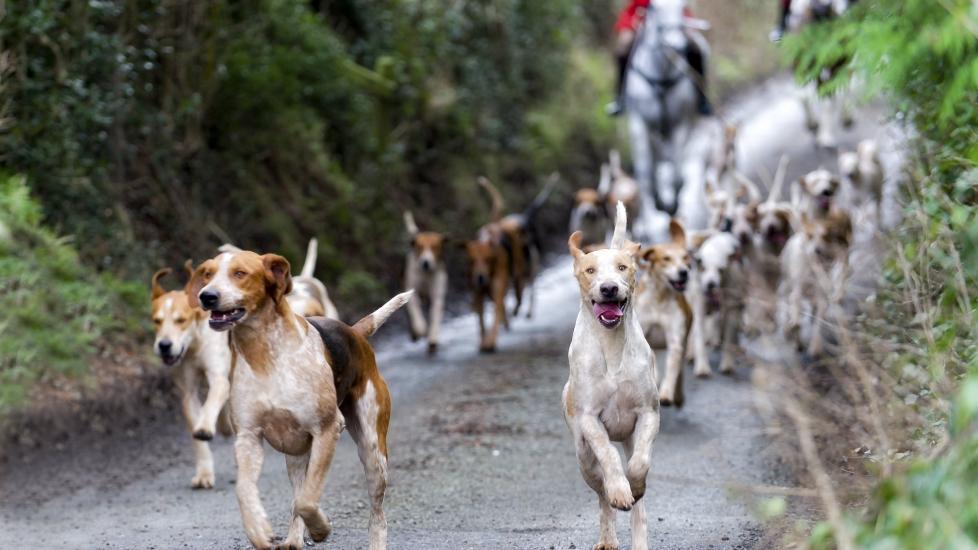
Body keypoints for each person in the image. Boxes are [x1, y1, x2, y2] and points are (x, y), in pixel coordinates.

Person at [606, 0, 712, 117]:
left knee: (696, 47)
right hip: (641, 17)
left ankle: (701, 98)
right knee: (624, 46)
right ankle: (620, 98)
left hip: (675, 18)